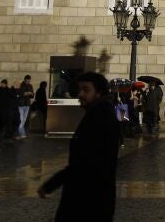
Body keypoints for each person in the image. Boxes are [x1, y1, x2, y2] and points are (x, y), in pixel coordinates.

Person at [39, 72, 121, 221]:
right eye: (80, 89)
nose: (80, 94)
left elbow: (84, 163)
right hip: (91, 198)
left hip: (87, 201)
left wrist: (51, 184)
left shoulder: (99, 118)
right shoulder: (98, 114)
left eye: (86, 90)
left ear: (99, 93)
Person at [16, 75, 35, 139]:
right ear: (24, 79)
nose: (28, 82)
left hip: (27, 104)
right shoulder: (20, 85)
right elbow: (18, 94)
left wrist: (31, 94)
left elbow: (32, 95)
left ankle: (19, 133)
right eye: (27, 81)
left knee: (24, 120)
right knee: (21, 119)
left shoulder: (30, 86)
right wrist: (26, 93)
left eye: (29, 81)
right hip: (21, 104)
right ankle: (22, 134)